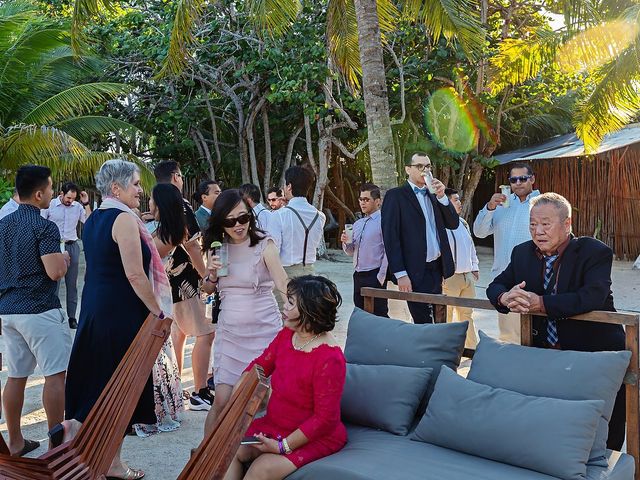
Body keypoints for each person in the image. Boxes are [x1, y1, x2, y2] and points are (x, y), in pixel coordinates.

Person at [56, 159, 172, 480]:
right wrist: (157, 310)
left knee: (98, 384)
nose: (140, 189)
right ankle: (112, 463)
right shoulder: (123, 220)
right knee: (121, 389)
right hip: (120, 314)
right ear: (115, 188)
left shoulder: (93, 218)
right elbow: (135, 275)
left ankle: (73, 429)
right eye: (135, 184)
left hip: (96, 309)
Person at [486, 192, 626, 450]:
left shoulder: (594, 252)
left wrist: (541, 303)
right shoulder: (522, 253)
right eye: (532, 224)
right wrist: (505, 297)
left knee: (602, 423)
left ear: (567, 224)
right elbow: (496, 285)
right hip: (545, 353)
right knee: (553, 421)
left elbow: (592, 296)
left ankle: (608, 466)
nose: (537, 231)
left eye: (545, 224)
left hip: (594, 352)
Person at [224, 275, 346, 480]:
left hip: (312, 436)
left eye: (291, 303)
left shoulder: (330, 358)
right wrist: (242, 385)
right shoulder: (287, 335)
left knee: (261, 468)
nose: (284, 307)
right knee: (229, 451)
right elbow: (261, 364)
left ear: (309, 311)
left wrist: (283, 446)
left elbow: (325, 420)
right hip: (274, 424)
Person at [201, 189, 289, 436]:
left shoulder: (264, 243)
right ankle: (206, 461)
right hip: (230, 334)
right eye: (230, 221)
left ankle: (252, 455)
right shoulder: (218, 247)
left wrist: (301, 310)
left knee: (266, 399)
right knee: (222, 401)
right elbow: (207, 288)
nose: (238, 225)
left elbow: (282, 283)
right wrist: (211, 274)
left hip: (265, 332)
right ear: (221, 222)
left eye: (243, 218)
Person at [0, 165, 71, 456]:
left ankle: (15, 441)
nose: (53, 194)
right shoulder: (45, 226)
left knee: (16, 376)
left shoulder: (2, 224)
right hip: (39, 309)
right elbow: (54, 271)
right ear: (39, 193)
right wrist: (65, 259)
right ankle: (57, 444)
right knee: (55, 375)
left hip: (8, 310)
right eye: (51, 189)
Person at [154, 161, 214, 411]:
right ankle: (200, 390)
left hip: (169, 281)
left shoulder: (161, 202)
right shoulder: (182, 205)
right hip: (188, 280)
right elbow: (192, 246)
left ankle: (175, 386)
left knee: (179, 334)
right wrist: (206, 276)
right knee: (205, 333)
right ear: (176, 176)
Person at [381, 152, 459, 324]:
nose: (425, 170)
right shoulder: (395, 196)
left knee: (440, 320)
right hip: (413, 270)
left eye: (428, 166)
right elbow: (390, 237)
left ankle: (438, 351)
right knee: (422, 322)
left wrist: (442, 197)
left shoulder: (434, 194)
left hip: (436, 269)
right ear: (408, 169)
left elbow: (453, 223)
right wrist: (400, 273)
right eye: (420, 166)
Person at [473, 163, 540, 343]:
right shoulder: (501, 206)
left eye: (523, 179)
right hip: (505, 279)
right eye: (513, 180)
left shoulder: (541, 204)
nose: (518, 183)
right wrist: (489, 207)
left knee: (535, 333)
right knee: (509, 334)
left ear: (532, 179)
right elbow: (479, 232)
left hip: (535, 278)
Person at [41, 181, 92, 329]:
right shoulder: (50, 205)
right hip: (54, 246)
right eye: (68, 198)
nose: (70, 201)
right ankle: (54, 316)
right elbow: (41, 224)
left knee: (72, 285)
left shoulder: (77, 207)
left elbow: (89, 222)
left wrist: (86, 203)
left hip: (71, 245)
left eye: (73, 198)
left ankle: (71, 317)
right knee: (53, 283)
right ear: (61, 194)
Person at [341, 183, 388, 317]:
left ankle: (387, 338)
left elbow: (388, 250)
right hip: (358, 274)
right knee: (361, 313)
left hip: (375, 274)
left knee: (379, 314)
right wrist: (346, 242)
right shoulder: (358, 224)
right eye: (361, 199)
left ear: (377, 201)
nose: (362, 203)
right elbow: (351, 252)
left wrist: (381, 276)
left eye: (366, 199)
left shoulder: (383, 221)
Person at [272, 166, 325, 278]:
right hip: (310, 274)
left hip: (286, 274)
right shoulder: (320, 216)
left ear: (289, 186)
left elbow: (274, 250)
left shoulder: (280, 215)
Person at [441, 188, 479, 348]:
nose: (459, 203)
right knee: (447, 317)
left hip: (467, 276)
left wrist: (474, 266)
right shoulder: (440, 224)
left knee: (467, 315)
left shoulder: (462, 223)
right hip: (450, 278)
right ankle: (445, 350)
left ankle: (472, 350)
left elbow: (470, 246)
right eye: (455, 200)